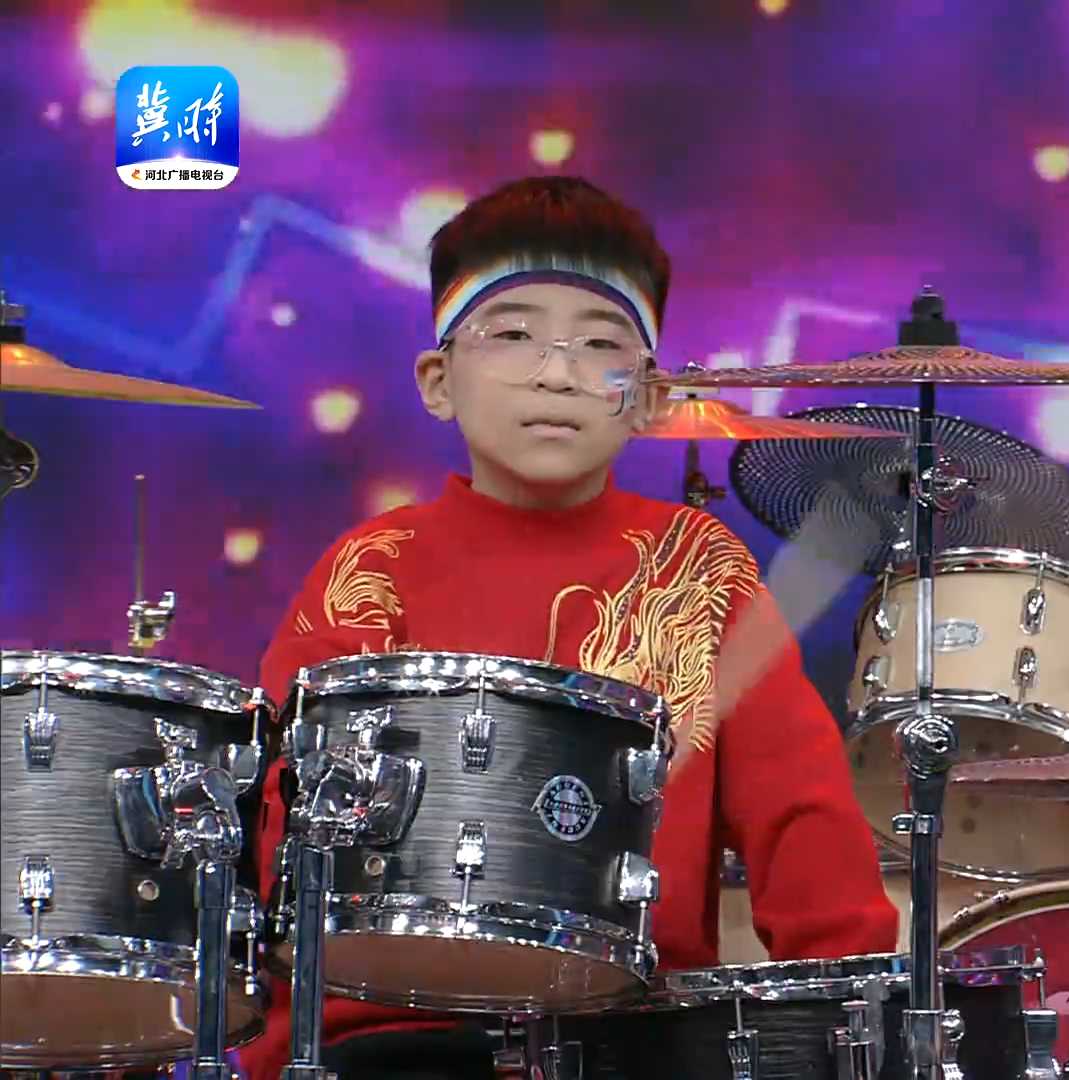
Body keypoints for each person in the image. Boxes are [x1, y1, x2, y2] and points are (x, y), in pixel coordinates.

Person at [236, 177, 896, 1079]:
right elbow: (281, 827)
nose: (557, 374)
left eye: (600, 345)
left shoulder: (695, 568)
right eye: (511, 336)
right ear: (438, 381)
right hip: (386, 1035)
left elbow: (803, 820)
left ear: (650, 395)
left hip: (632, 1036)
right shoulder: (371, 570)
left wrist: (857, 1024)